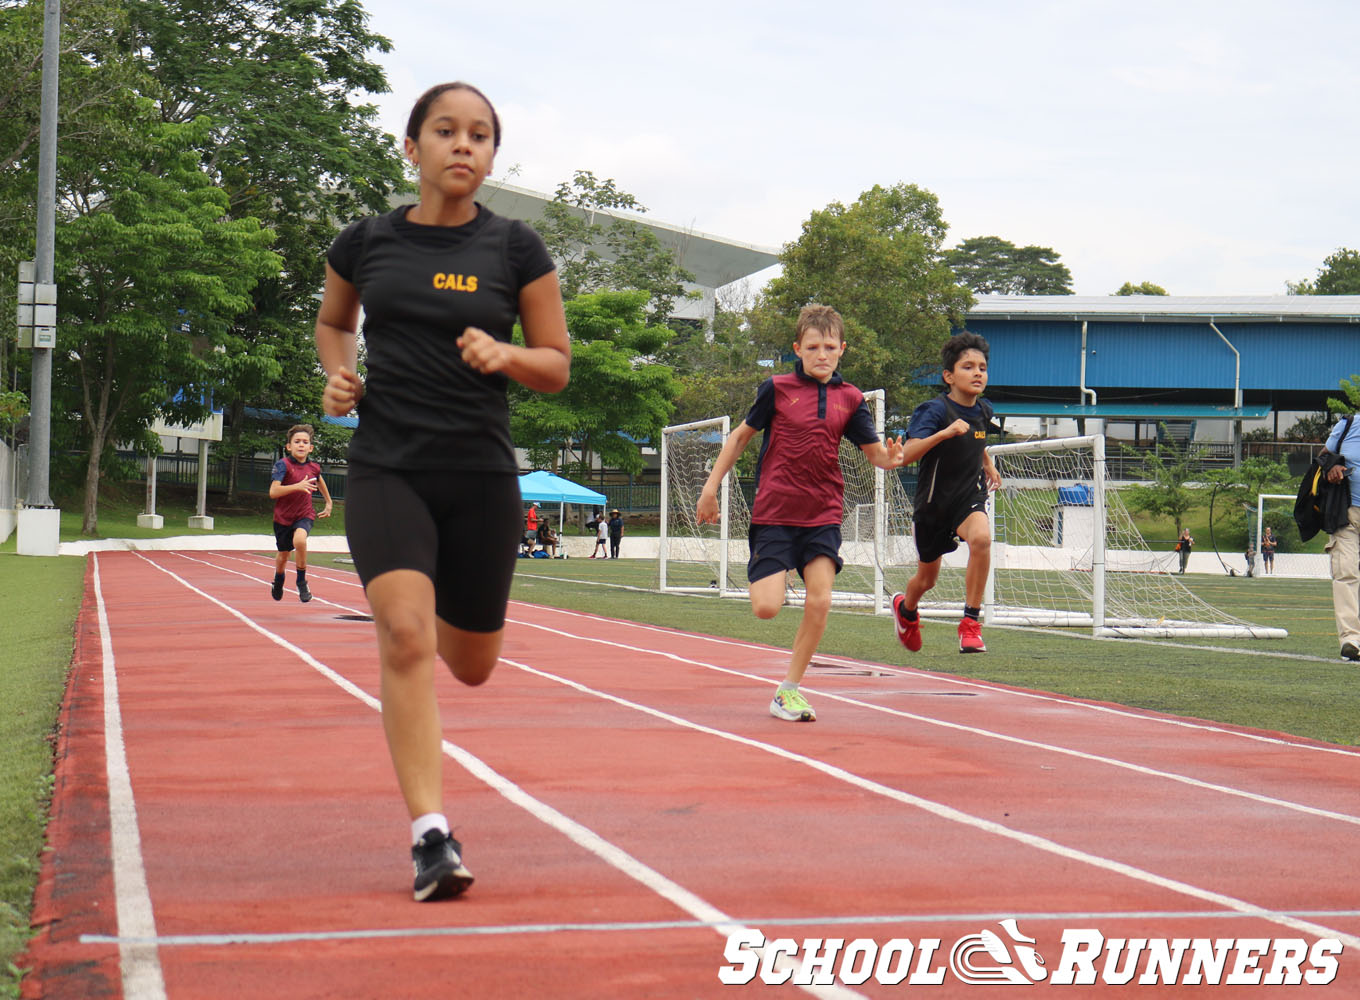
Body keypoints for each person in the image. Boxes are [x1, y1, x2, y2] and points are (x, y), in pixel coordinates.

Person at [314, 81, 570, 901]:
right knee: (403, 636)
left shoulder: (516, 249)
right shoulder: (365, 243)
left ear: (492, 156)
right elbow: (332, 322)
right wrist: (337, 377)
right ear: (412, 146)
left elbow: (557, 365)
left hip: (482, 476)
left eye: (481, 136)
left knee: (470, 664)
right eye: (446, 131)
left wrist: (508, 358)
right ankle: (431, 836)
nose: (464, 145)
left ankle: (434, 812)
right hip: (389, 466)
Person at [696, 304, 905, 722]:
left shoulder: (851, 399)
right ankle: (779, 566)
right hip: (774, 511)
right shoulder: (776, 387)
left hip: (824, 512)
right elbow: (739, 439)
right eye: (813, 347)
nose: (822, 354)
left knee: (821, 600)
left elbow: (877, 457)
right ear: (798, 348)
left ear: (842, 349)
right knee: (766, 608)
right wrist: (710, 488)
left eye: (830, 347)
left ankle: (788, 690)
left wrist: (894, 456)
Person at [891, 331, 1001, 655]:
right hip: (932, 507)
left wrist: (987, 464)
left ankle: (970, 624)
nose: (977, 372)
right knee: (926, 581)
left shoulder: (984, 410)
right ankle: (906, 610)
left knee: (981, 539)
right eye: (968, 367)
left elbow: (976, 439)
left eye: (982, 366)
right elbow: (907, 454)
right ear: (949, 376)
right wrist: (945, 433)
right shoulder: (934, 411)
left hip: (967, 499)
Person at [269, 424, 332, 602]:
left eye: (305, 442)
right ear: (289, 446)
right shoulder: (283, 465)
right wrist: (297, 486)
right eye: (297, 442)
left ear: (311, 447)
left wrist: (328, 502)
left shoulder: (314, 467)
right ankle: (279, 579)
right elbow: (273, 492)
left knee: (300, 540)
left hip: (304, 514)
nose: (301, 445)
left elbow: (319, 480)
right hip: (283, 518)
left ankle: (301, 581)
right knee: (283, 556)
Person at [1324, 414, 1360, 660]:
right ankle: (1351, 640)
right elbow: (1325, 455)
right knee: (1345, 572)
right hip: (1346, 513)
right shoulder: (1348, 425)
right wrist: (1332, 466)